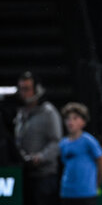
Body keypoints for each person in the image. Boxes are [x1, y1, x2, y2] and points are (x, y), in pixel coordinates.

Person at [14, 71, 62, 205]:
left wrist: (40, 157)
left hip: (45, 177)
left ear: (37, 89)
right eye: (21, 89)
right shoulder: (20, 113)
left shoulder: (48, 112)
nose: (23, 93)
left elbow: (56, 142)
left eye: (27, 89)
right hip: (25, 174)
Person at [59, 102, 102, 205]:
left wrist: (95, 185)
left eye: (75, 118)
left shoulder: (89, 141)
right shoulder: (62, 143)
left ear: (84, 122)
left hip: (87, 194)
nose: (70, 121)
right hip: (67, 193)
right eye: (67, 118)